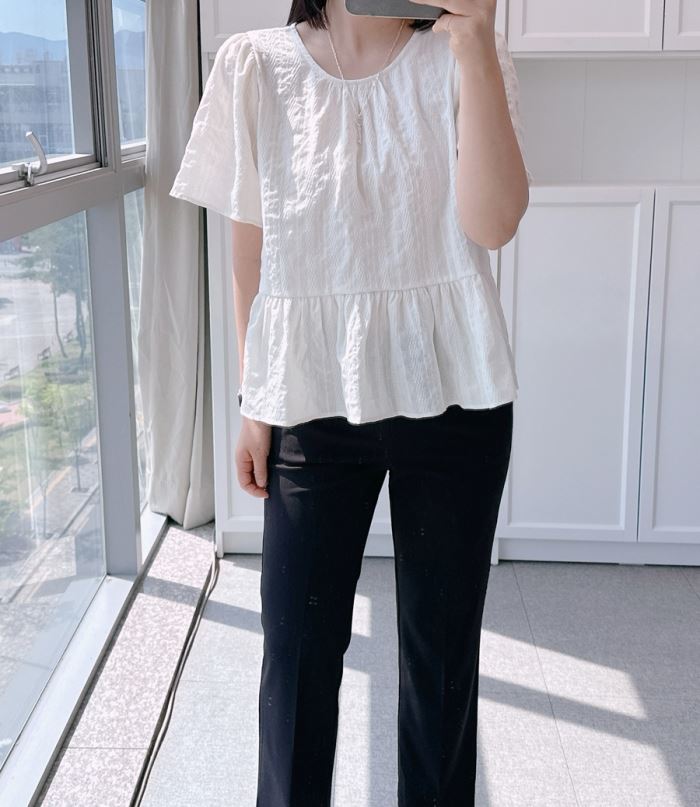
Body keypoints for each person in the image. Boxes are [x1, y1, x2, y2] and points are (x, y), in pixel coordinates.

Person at [169, 0, 532, 804]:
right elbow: (250, 252)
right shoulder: (255, 66)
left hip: (455, 395)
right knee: (296, 660)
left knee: (441, 667)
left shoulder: (461, 57)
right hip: (310, 397)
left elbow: (494, 223)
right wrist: (254, 399)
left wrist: (476, 44)